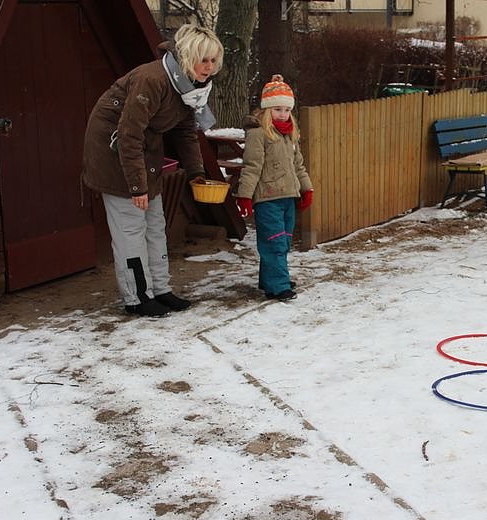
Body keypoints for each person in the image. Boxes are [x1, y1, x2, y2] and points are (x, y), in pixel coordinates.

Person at [82, 24, 224, 317]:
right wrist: (137, 187)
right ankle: (137, 297)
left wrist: (196, 171)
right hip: (115, 153)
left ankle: (160, 289)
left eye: (213, 61)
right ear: (187, 56)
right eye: (204, 60)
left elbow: (186, 130)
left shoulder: (190, 87)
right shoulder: (153, 80)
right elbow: (128, 135)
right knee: (131, 229)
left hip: (144, 152)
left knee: (156, 224)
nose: (209, 68)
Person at [235, 75, 314, 301]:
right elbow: (251, 167)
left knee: (284, 241)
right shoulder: (259, 134)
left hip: (288, 197)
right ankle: (278, 286)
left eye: (287, 110)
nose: (283, 114)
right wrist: (245, 197)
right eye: (277, 109)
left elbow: (298, 164)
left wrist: (306, 189)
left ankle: (270, 279)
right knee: (275, 242)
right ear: (267, 110)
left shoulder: (289, 134)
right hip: (268, 199)